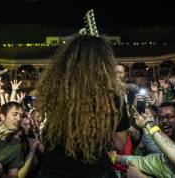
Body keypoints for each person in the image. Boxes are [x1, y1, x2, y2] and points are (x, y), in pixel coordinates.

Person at [35, 35, 130, 178]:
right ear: (103, 62)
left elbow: (45, 135)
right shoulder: (112, 96)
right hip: (95, 171)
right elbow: (119, 143)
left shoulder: (53, 91)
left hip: (53, 170)